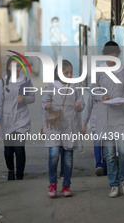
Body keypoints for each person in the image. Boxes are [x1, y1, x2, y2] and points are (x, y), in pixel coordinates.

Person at [94, 41, 124, 198]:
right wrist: (102, 95)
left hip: (121, 116)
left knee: (123, 151)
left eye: (115, 55)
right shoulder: (99, 71)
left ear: (118, 55)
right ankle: (113, 185)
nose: (113, 58)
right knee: (110, 154)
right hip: (105, 117)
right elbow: (93, 89)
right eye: (109, 55)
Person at [42, 60, 84, 198]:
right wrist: (47, 106)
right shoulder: (51, 86)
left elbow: (81, 103)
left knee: (68, 157)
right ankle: (52, 184)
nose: (70, 75)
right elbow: (44, 103)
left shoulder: (76, 85)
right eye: (66, 72)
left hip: (70, 126)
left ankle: (66, 185)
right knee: (53, 155)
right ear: (58, 73)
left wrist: (79, 106)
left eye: (71, 72)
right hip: (54, 125)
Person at [0, 56, 35, 180]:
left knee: (19, 148)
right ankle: (11, 170)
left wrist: (25, 99)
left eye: (18, 65)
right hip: (7, 120)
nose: (16, 68)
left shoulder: (26, 81)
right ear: (8, 67)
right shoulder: (3, 82)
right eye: (13, 65)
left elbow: (33, 97)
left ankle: (20, 175)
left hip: (22, 119)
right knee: (8, 150)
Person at [82, 85, 107, 176]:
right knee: (97, 142)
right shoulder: (94, 90)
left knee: (105, 145)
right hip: (95, 123)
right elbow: (88, 109)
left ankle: (105, 167)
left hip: (107, 123)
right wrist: (84, 124)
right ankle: (98, 165)